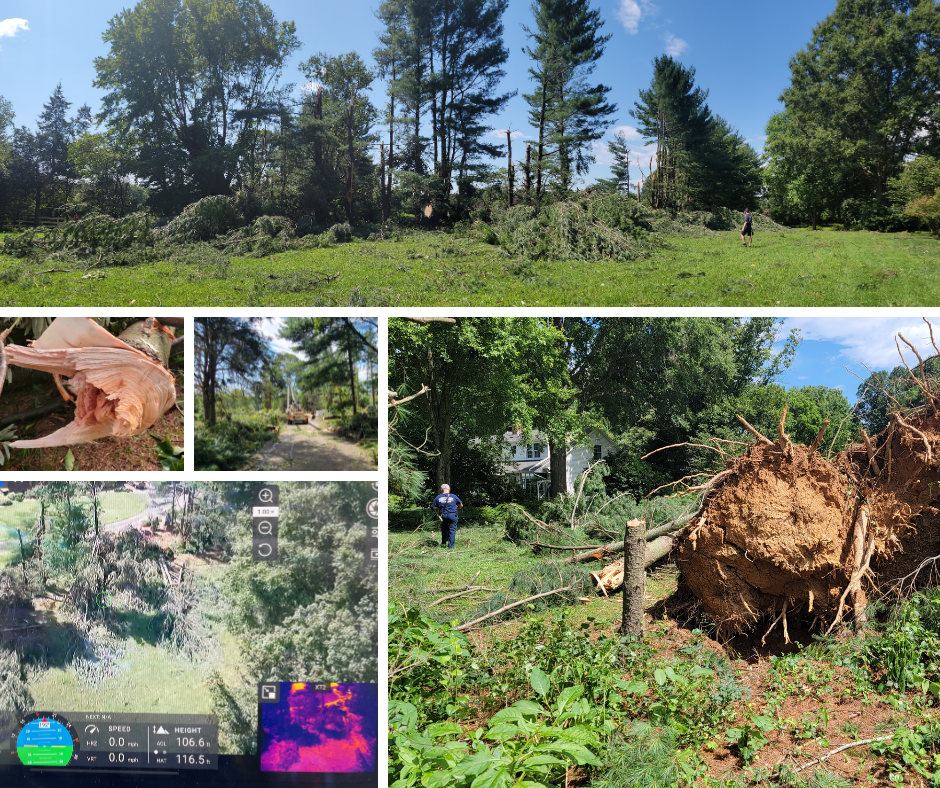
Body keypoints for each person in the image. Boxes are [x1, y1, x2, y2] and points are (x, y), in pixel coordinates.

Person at [432, 483, 463, 549]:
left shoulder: (438, 497)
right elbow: (461, 504)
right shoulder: (454, 496)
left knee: (444, 528)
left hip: (443, 515)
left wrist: (439, 508)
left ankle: (443, 543)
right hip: (452, 515)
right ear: (449, 489)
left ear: (441, 489)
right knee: (452, 530)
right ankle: (451, 546)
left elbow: (434, 506)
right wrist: (458, 508)